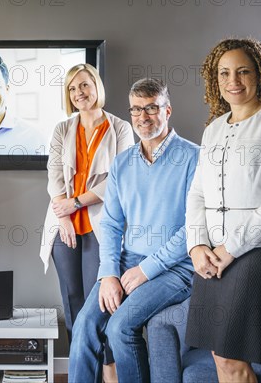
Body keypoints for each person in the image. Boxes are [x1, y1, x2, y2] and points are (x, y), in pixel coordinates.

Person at [185, 38, 261, 383]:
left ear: (260, 75)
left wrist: (230, 248)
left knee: (231, 356)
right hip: (210, 254)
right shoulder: (213, 130)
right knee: (220, 356)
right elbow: (197, 192)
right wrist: (196, 246)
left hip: (257, 252)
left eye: (242, 71)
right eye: (224, 73)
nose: (233, 80)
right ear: (215, 79)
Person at [68, 78, 199, 383]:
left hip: (177, 268)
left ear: (167, 110)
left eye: (151, 108)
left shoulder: (194, 157)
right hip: (129, 260)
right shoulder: (122, 163)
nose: (143, 116)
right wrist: (109, 274)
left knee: (120, 327)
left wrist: (146, 270)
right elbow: (112, 224)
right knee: (85, 323)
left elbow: (194, 228)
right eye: (136, 110)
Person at [39, 63, 134, 379]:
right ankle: (85, 372)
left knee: (102, 302)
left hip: (100, 226)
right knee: (73, 302)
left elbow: (121, 178)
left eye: (84, 85)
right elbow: (53, 175)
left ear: (97, 86)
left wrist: (76, 203)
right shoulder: (62, 129)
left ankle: (109, 367)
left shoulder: (119, 128)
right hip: (64, 225)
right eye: (72, 88)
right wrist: (62, 215)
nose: (79, 92)